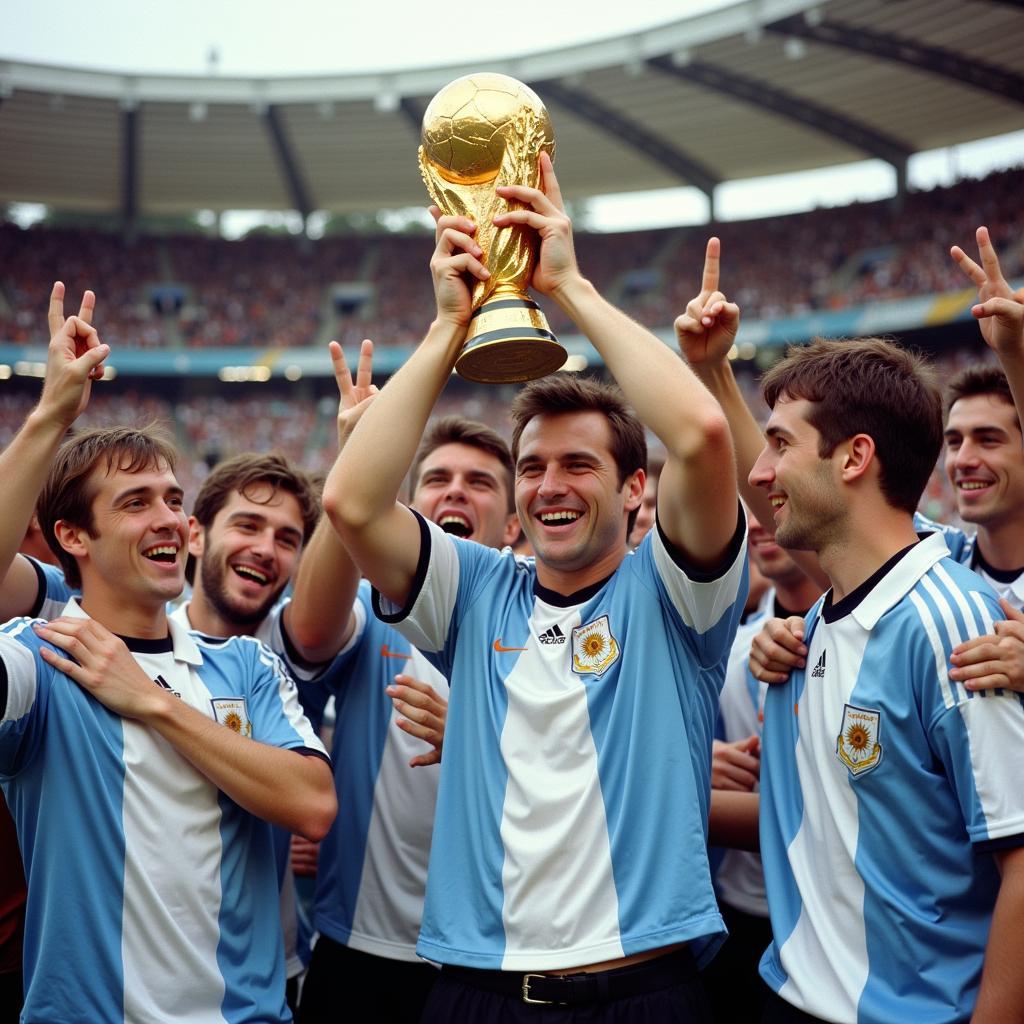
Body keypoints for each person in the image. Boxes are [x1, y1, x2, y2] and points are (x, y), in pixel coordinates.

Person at [325, 152, 747, 1020]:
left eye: (579, 464)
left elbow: (703, 435)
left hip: (642, 989)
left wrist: (573, 291)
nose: (549, 485)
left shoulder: (675, 597)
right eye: (532, 468)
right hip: (474, 991)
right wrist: (450, 327)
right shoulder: (478, 592)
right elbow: (352, 500)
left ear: (637, 489)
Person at [0, 298, 337, 1022]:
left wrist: (150, 700)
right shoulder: (37, 659)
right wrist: (50, 417)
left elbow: (312, 805)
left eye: (173, 499)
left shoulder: (243, 662)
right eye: (134, 503)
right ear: (73, 536)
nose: (169, 519)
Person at [744, 336, 1024, 1023]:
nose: (758, 472)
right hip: (796, 995)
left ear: (854, 457)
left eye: (779, 444)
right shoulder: (810, 626)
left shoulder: (957, 627)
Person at [295, 412, 520, 1024]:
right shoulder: (369, 611)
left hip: (491, 956)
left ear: (515, 520)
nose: (455, 490)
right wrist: (353, 473)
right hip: (361, 944)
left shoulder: (544, 619)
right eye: (437, 478)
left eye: (480, 481)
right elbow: (310, 634)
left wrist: (476, 737)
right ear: (408, 504)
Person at [700, 511, 822, 1024]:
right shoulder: (726, 648)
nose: (759, 523)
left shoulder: (878, 634)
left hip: (832, 924)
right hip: (735, 918)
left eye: (771, 505)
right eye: (745, 511)